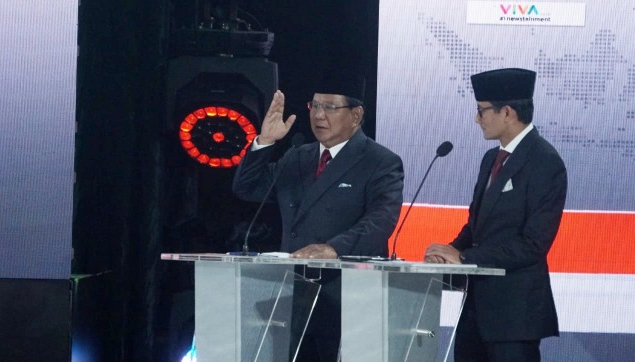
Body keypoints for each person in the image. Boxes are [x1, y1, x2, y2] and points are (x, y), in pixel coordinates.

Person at [232, 71, 404, 361]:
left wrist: (334, 248)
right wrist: (264, 141)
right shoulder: (298, 156)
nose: (319, 116)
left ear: (356, 114)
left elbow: (381, 220)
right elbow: (246, 188)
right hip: (292, 293)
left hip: (345, 296)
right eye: (315, 106)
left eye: (330, 107)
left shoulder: (380, 161)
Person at [424, 68, 567, 362]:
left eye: (481, 111)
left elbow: (533, 245)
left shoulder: (545, 162)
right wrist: (451, 250)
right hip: (476, 313)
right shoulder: (491, 158)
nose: (477, 119)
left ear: (507, 112)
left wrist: (465, 259)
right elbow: (477, 224)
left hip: (515, 318)